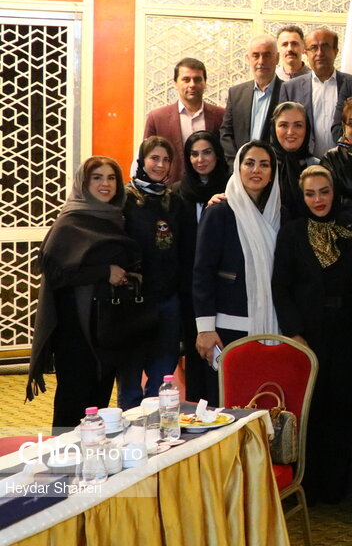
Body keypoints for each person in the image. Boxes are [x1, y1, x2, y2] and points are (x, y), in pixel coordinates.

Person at [272, 165, 352, 503]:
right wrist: (294, 332)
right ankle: (306, 487)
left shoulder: (350, 232)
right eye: (310, 193)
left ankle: (336, 488)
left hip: (346, 332)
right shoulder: (291, 233)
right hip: (307, 335)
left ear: (334, 192)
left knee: (341, 406)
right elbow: (280, 287)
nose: (318, 199)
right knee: (309, 409)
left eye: (324, 192)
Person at [27, 157, 137, 427]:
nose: (105, 184)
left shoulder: (116, 218)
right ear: (83, 183)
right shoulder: (70, 222)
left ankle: (92, 452)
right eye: (97, 177)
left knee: (98, 403)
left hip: (107, 327)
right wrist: (103, 272)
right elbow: (56, 273)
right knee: (73, 401)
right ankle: (63, 451)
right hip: (75, 330)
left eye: (111, 178)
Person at [193, 141, 283, 402]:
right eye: (249, 163)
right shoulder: (219, 211)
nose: (256, 170)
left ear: (272, 174)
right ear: (238, 168)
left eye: (264, 165)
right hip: (226, 330)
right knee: (226, 406)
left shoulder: (281, 215)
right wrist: (205, 329)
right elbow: (203, 272)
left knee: (265, 403)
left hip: (272, 329)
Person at [116, 136, 184, 409]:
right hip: (134, 300)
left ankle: (156, 428)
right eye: (154, 158)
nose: (160, 165)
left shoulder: (174, 200)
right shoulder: (124, 198)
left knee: (162, 377)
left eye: (166, 160)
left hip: (167, 299)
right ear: (142, 160)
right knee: (130, 377)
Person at [172, 131, 229, 401]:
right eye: (194, 154)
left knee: (221, 356)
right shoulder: (177, 193)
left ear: (217, 155)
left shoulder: (231, 189)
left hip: (222, 287)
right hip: (188, 288)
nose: (200, 159)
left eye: (207, 152)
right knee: (195, 356)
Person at [143, 57, 225, 184]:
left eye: (197, 79)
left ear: (205, 83)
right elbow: (147, 158)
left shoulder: (221, 116)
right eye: (186, 79)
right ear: (175, 83)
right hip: (169, 189)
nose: (192, 85)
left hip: (212, 190)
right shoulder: (157, 118)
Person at [279, 27, 352, 157]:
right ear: (306, 53)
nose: (320, 53)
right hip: (304, 163)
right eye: (313, 48)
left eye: (325, 46)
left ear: (335, 51)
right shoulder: (290, 88)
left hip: (345, 161)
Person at [219, 34, 282, 162]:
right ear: (248, 59)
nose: (261, 61)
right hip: (239, 169)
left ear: (277, 58)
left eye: (267, 55)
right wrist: (236, 166)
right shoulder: (236, 94)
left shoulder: (288, 92)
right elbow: (226, 133)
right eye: (255, 55)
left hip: (275, 169)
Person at [269, 101, 319, 219]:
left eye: (298, 125)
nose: (290, 132)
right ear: (274, 128)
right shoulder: (263, 165)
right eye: (283, 125)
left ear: (307, 129)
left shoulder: (318, 166)